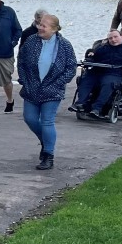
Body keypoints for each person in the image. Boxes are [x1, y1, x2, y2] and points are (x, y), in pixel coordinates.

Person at [16, 13, 77, 170]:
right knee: (29, 118)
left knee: (47, 121)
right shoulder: (31, 41)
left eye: (44, 26)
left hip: (52, 90)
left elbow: (71, 68)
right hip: (32, 88)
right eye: (39, 24)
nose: (40, 28)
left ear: (54, 29)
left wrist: (58, 83)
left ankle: (48, 156)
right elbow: (21, 61)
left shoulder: (64, 45)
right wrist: (24, 79)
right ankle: (46, 141)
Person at [72, 30, 122, 117]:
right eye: (110, 38)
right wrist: (89, 58)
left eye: (115, 37)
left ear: (121, 37)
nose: (113, 40)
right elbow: (92, 58)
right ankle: (80, 103)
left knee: (108, 82)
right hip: (98, 72)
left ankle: (97, 108)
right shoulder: (102, 49)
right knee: (86, 78)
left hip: (116, 74)